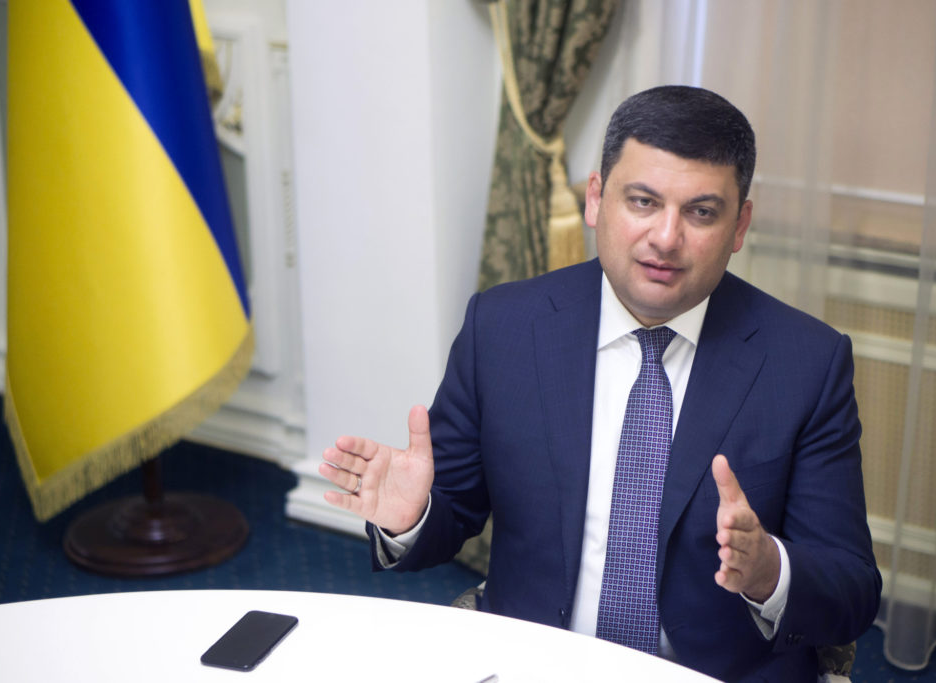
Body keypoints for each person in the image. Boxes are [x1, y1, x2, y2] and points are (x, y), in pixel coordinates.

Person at [319, 85, 881, 681]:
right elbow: (451, 512)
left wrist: (770, 571)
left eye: (701, 212)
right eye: (643, 201)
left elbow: (851, 591)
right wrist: (411, 518)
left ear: (739, 224)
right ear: (595, 199)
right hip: (533, 662)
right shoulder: (504, 327)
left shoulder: (806, 363)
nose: (666, 238)